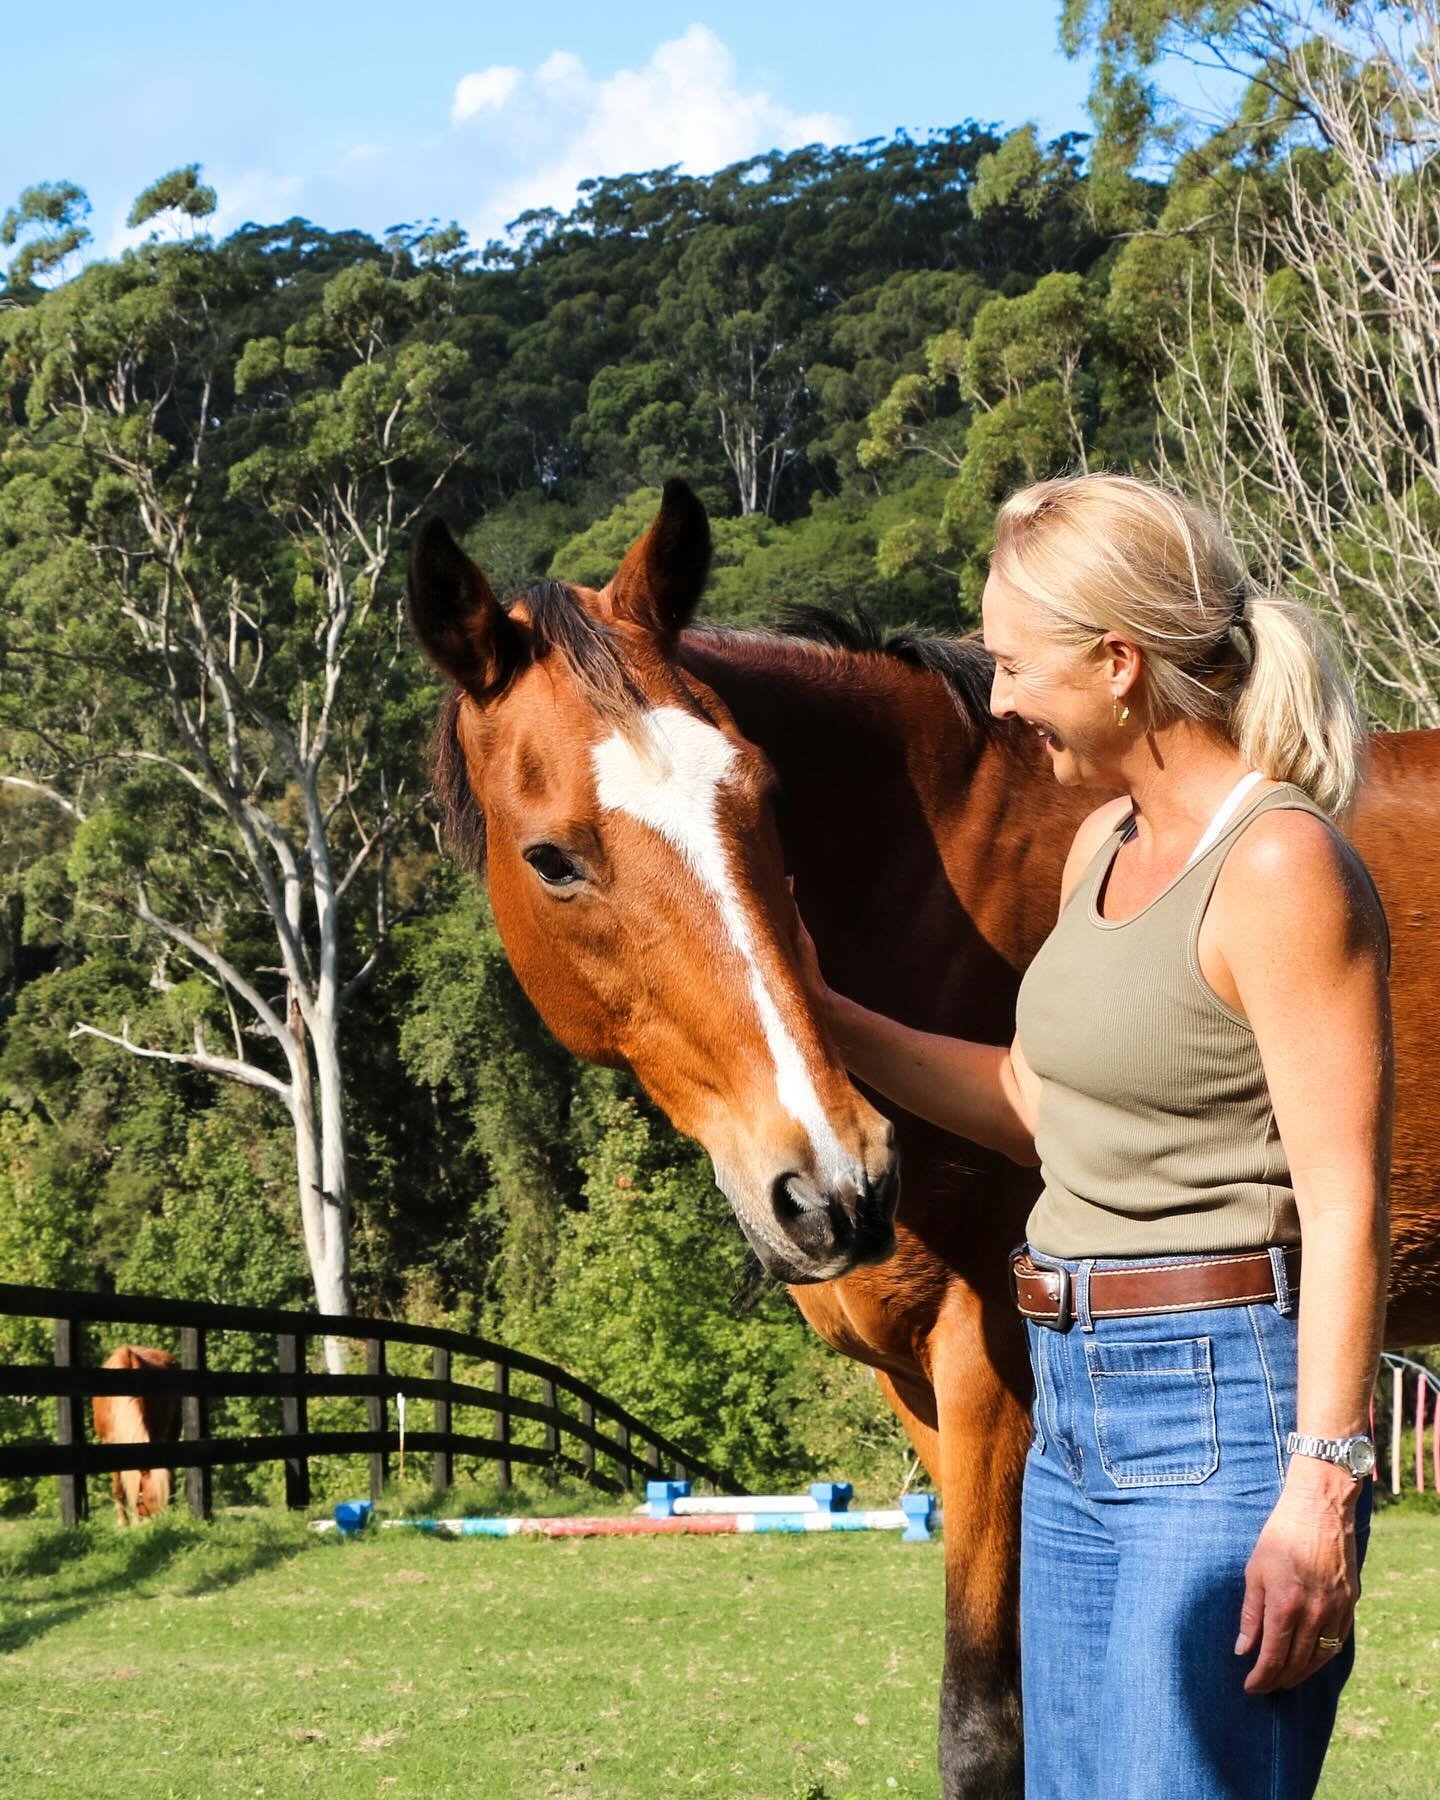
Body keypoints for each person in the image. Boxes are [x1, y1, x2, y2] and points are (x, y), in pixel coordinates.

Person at [789, 473, 1392, 1799]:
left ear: (1120, 665)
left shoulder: (1280, 869)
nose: (995, 698)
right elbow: (1043, 1109)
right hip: (1069, 1405)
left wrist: (1322, 1489)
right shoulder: (1104, 845)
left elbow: (1346, 1209)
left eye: (1014, 664)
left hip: (1222, 1412)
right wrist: (822, 1016)